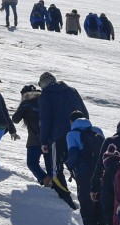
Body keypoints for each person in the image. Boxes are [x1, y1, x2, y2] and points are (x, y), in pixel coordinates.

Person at [36, 72, 86, 207]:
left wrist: (44, 141)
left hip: (57, 138)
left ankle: (65, 198)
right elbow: (84, 113)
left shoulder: (46, 95)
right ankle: (86, 197)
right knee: (79, 167)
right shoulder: (72, 90)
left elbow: (45, 120)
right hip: (79, 134)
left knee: (55, 169)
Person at [66, 111, 107, 225]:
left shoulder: (71, 135)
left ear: (72, 122)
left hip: (85, 176)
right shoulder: (97, 130)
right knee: (101, 203)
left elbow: (73, 156)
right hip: (102, 173)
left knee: (87, 209)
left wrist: (69, 166)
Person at [11, 85, 48, 184]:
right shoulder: (45, 101)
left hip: (34, 140)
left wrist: (23, 104)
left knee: (32, 163)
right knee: (50, 165)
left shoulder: (26, 104)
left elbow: (15, 119)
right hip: (50, 139)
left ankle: (45, 180)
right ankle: (56, 184)